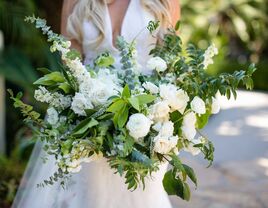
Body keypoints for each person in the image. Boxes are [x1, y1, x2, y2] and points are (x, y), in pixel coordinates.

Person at [12, 0, 180, 207]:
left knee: (144, 194)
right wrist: (89, 109)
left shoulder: (164, 2)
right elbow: (71, 61)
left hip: (147, 120)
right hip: (89, 118)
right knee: (93, 197)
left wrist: (159, 114)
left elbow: (170, 61)